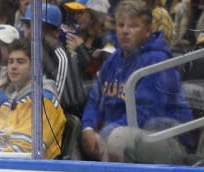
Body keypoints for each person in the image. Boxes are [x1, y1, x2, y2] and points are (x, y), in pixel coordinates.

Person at [80, 0, 192, 162]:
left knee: (118, 139)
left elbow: (143, 115)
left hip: (167, 139)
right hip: (120, 134)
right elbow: (93, 100)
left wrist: (103, 134)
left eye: (132, 26)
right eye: (121, 25)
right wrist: (88, 129)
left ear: (147, 30)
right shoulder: (113, 60)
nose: (125, 31)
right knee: (83, 135)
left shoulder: (156, 60)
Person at [0, 38, 66, 159]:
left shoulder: (43, 102)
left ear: (37, 67)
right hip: (3, 170)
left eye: (20, 62)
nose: (13, 67)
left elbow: (24, 151)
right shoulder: (7, 105)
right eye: (10, 62)